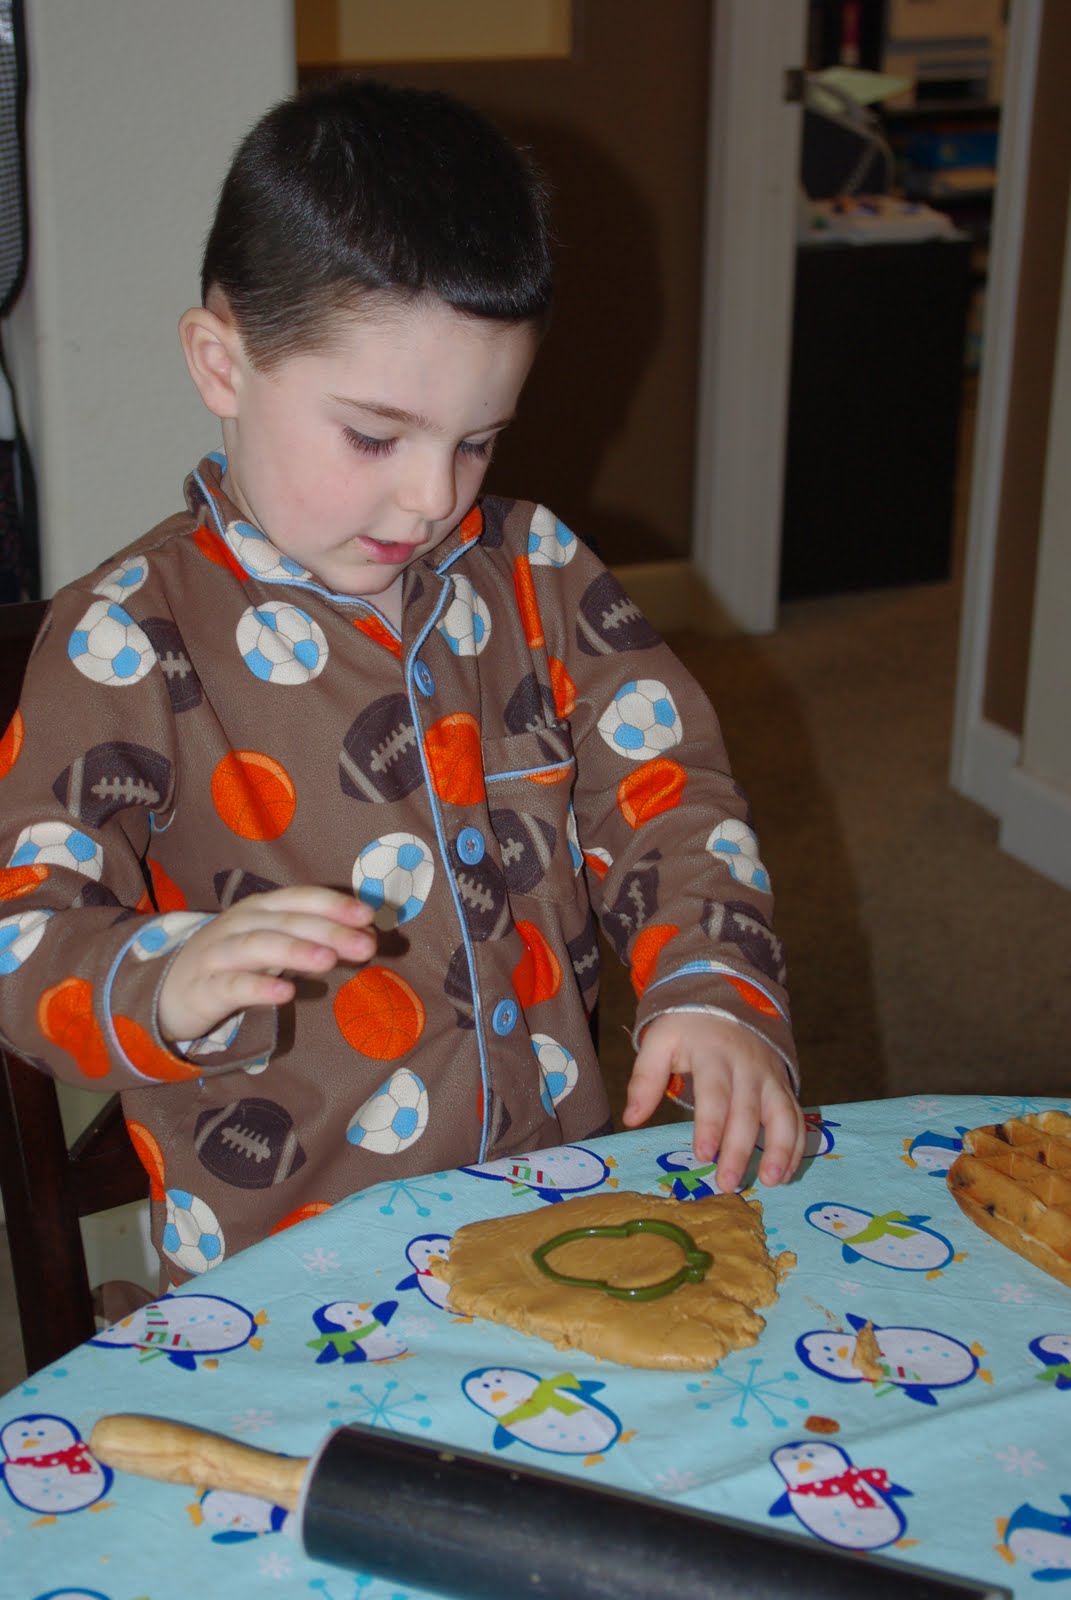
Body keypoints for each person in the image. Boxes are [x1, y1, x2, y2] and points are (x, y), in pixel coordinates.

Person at [0, 78, 804, 1284]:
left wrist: (716, 981)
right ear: (222, 363)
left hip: (555, 1208)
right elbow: (24, 935)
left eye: (475, 438)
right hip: (285, 1276)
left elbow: (670, 793)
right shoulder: (124, 639)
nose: (436, 496)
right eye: (375, 435)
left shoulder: (537, 572)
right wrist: (165, 983)